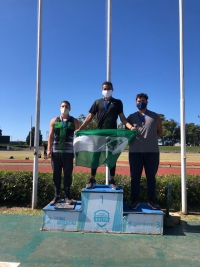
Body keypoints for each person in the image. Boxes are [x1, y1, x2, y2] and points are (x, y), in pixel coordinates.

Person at [78, 81, 134, 190]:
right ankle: (92, 179)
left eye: (108, 88)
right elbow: (90, 116)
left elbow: (122, 118)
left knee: (112, 156)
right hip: (99, 134)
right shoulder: (97, 102)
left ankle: (112, 180)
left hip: (112, 135)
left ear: (112, 89)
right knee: (96, 156)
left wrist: (131, 127)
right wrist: (80, 128)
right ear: (101, 90)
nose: (106, 90)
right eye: (104, 88)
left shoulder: (118, 102)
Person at [127, 93, 163, 210]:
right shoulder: (131, 117)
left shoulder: (155, 116)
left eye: (142, 100)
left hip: (152, 152)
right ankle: (134, 200)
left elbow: (160, 132)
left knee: (151, 177)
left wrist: (150, 139)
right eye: (138, 100)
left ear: (147, 102)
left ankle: (151, 201)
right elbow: (127, 133)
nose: (140, 102)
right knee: (135, 177)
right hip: (135, 152)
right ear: (135, 102)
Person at [47, 100, 79, 206]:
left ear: (70, 108)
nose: (64, 107)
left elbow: (78, 137)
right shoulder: (53, 121)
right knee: (56, 175)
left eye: (66, 106)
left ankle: (67, 196)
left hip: (69, 152)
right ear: (59, 107)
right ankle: (56, 196)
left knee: (67, 175)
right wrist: (48, 149)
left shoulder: (74, 121)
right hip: (56, 152)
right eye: (62, 106)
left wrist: (78, 150)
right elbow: (50, 136)